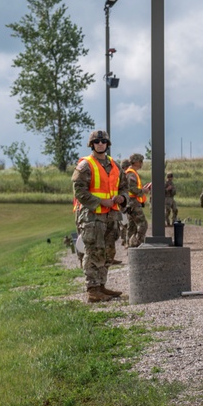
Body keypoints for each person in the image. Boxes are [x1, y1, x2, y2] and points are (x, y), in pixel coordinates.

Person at [71, 129, 129, 302]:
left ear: (108, 144)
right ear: (92, 144)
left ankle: (101, 286)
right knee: (93, 251)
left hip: (111, 216)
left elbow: (123, 186)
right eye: (97, 141)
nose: (101, 144)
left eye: (104, 141)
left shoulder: (115, 165)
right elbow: (79, 191)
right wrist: (99, 201)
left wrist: (122, 197)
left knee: (108, 251)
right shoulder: (86, 165)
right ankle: (93, 289)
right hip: (92, 216)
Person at [124, 153, 149, 248]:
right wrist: (143, 190)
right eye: (141, 161)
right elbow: (132, 188)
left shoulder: (131, 173)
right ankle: (138, 244)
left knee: (132, 226)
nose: (142, 163)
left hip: (130, 203)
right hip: (133, 202)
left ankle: (130, 246)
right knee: (143, 224)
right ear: (136, 162)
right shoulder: (131, 173)